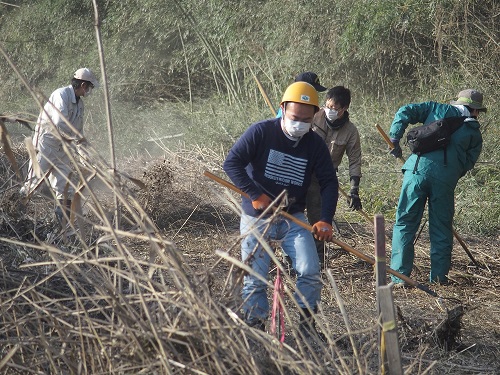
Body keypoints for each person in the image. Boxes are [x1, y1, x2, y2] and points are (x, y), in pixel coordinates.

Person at [223, 81, 338, 338]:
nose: (300, 124)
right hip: (258, 217)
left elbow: (329, 182)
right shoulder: (261, 133)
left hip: (292, 216)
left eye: (306, 120)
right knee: (255, 276)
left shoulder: (315, 145)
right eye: (295, 118)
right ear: (283, 108)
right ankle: (255, 327)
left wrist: (325, 219)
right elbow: (232, 163)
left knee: (310, 270)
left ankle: (307, 328)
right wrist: (255, 194)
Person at [388, 89, 485, 285]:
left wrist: (394, 138)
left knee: (405, 225)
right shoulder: (474, 133)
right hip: (444, 182)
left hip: (415, 173)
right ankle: (439, 280)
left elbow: (404, 111)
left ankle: (399, 278)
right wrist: (451, 173)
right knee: (441, 230)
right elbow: (468, 162)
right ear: (474, 111)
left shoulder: (436, 108)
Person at [20, 68, 99, 224]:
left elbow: (78, 133)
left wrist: (86, 157)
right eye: (89, 87)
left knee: (66, 189)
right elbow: (59, 124)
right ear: (83, 85)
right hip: (46, 143)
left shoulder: (80, 105)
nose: (89, 90)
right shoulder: (61, 95)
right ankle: (13, 213)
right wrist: (75, 146)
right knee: (33, 183)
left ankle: (62, 228)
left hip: (63, 148)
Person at [306, 86, 362, 266]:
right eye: (327, 106)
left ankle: (318, 262)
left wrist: (354, 190)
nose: (329, 111)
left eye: (334, 108)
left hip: (323, 179)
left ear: (344, 109)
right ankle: (287, 258)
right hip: (302, 172)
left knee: (319, 220)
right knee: (291, 214)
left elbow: (354, 161)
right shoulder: (314, 116)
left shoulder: (351, 132)